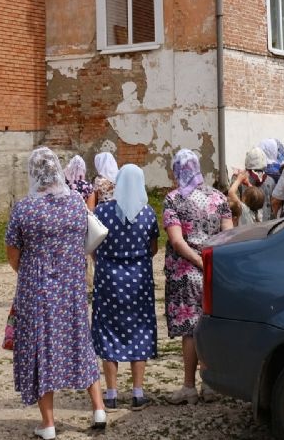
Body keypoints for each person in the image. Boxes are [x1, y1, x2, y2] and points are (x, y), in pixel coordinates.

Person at [6, 147, 108, 440]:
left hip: (36, 289)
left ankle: (48, 423)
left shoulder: (24, 209)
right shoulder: (76, 202)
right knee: (79, 340)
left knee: (41, 348)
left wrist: (30, 272)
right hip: (72, 286)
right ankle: (98, 408)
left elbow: (13, 254)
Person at [162, 149, 234, 405]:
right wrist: (210, 262)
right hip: (213, 270)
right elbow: (228, 235)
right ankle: (210, 384)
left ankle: (189, 386)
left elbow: (176, 240)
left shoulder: (173, 200)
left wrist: (196, 261)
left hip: (185, 273)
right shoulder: (218, 197)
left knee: (191, 330)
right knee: (210, 326)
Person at [91, 163, 159, 410]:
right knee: (139, 328)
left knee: (109, 328)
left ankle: (111, 392)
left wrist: (106, 260)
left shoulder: (102, 211)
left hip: (108, 278)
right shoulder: (148, 213)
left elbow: (93, 245)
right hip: (139, 279)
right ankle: (138, 392)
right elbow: (153, 248)